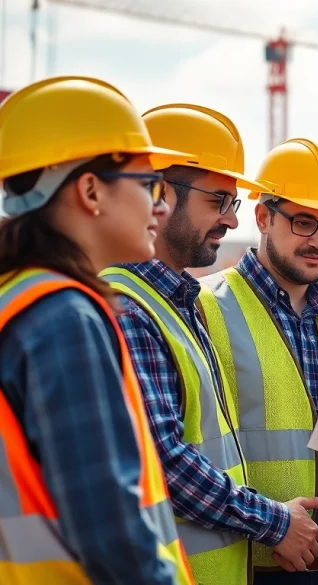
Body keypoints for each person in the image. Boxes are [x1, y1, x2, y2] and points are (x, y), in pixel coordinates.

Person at [101, 104, 318, 584]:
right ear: (159, 193)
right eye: (218, 200)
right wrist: (273, 521)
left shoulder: (178, 302)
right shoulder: (128, 309)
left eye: (232, 203)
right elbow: (163, 459)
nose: (229, 220)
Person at [0, 76, 195, 584]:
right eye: (149, 185)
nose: (161, 206)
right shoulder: (64, 319)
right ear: (90, 191)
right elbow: (114, 536)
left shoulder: (15, 298)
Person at [197, 138, 318, 585]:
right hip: (250, 562)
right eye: (304, 222)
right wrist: (270, 525)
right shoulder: (206, 307)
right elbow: (192, 452)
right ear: (263, 217)